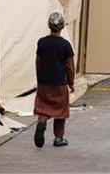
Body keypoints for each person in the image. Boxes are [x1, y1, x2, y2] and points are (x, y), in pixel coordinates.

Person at [33, 12, 74, 148]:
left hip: (44, 83)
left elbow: (38, 62)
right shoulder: (65, 45)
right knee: (60, 111)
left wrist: (39, 79)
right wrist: (71, 83)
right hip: (60, 84)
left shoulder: (42, 42)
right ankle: (58, 138)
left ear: (49, 26)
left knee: (44, 108)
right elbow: (70, 67)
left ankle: (41, 121)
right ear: (62, 27)